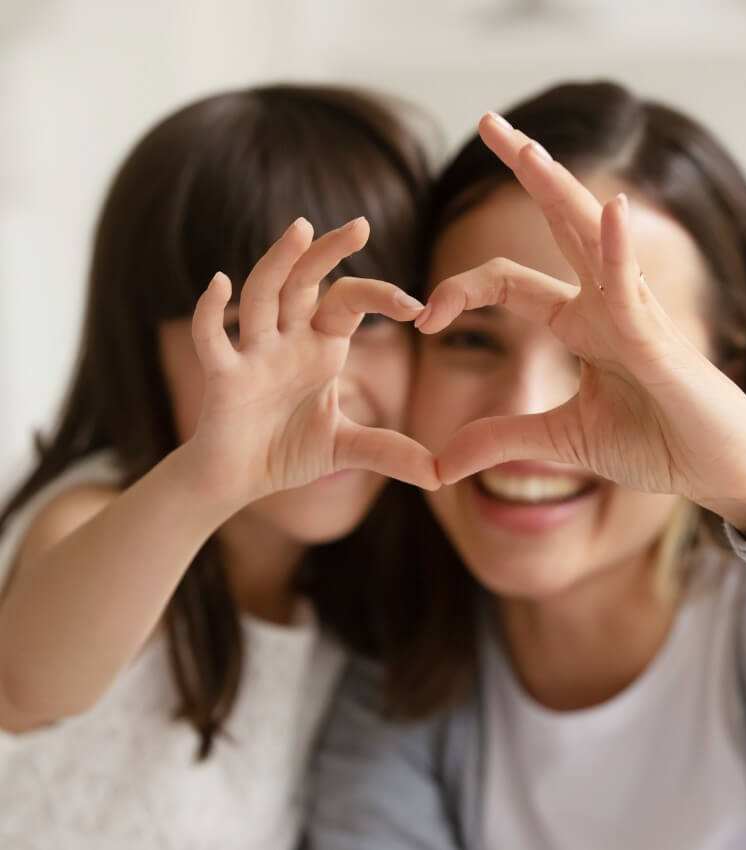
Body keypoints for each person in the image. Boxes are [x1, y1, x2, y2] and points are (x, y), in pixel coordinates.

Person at [307, 81, 746, 850]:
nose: (527, 414)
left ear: (731, 375)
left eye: (610, 356)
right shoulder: (383, 682)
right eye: (472, 341)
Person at [0, 84, 438, 850]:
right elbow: (26, 682)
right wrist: (211, 473)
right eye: (251, 330)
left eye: (365, 322)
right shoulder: (96, 517)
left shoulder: (346, 595)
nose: (320, 384)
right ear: (143, 350)